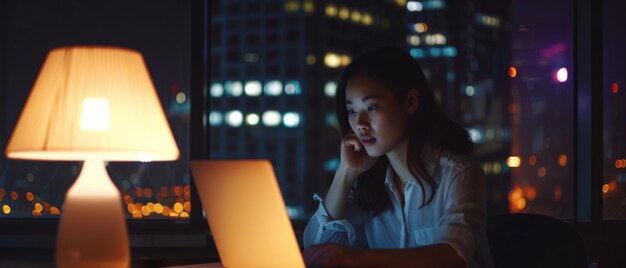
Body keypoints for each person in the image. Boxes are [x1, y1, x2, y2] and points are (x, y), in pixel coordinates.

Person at [303, 47, 494, 268]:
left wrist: (359, 258)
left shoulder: (458, 174)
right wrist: (346, 172)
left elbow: (452, 256)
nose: (360, 124)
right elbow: (318, 251)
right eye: (352, 111)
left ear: (410, 102)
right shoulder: (369, 187)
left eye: (371, 107)